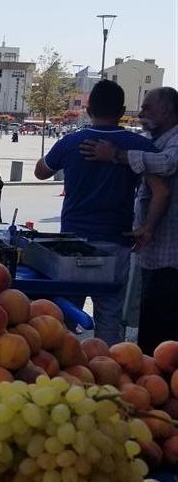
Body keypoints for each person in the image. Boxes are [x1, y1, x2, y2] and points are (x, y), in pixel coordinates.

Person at [33, 80, 169, 345]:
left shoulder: (72, 141)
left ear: (89, 107)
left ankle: (64, 372)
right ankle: (107, 373)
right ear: (121, 111)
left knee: (63, 320)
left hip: (71, 246)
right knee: (109, 318)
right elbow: (161, 191)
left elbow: (41, 172)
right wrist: (148, 228)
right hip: (115, 245)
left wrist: (57, 154)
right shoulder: (135, 145)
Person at [79, 86, 178, 352]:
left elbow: (167, 166)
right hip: (152, 253)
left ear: (167, 110)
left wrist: (116, 155)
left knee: (163, 334)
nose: (141, 112)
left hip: (171, 255)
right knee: (148, 326)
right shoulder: (150, 140)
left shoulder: (172, 142)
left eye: (147, 107)